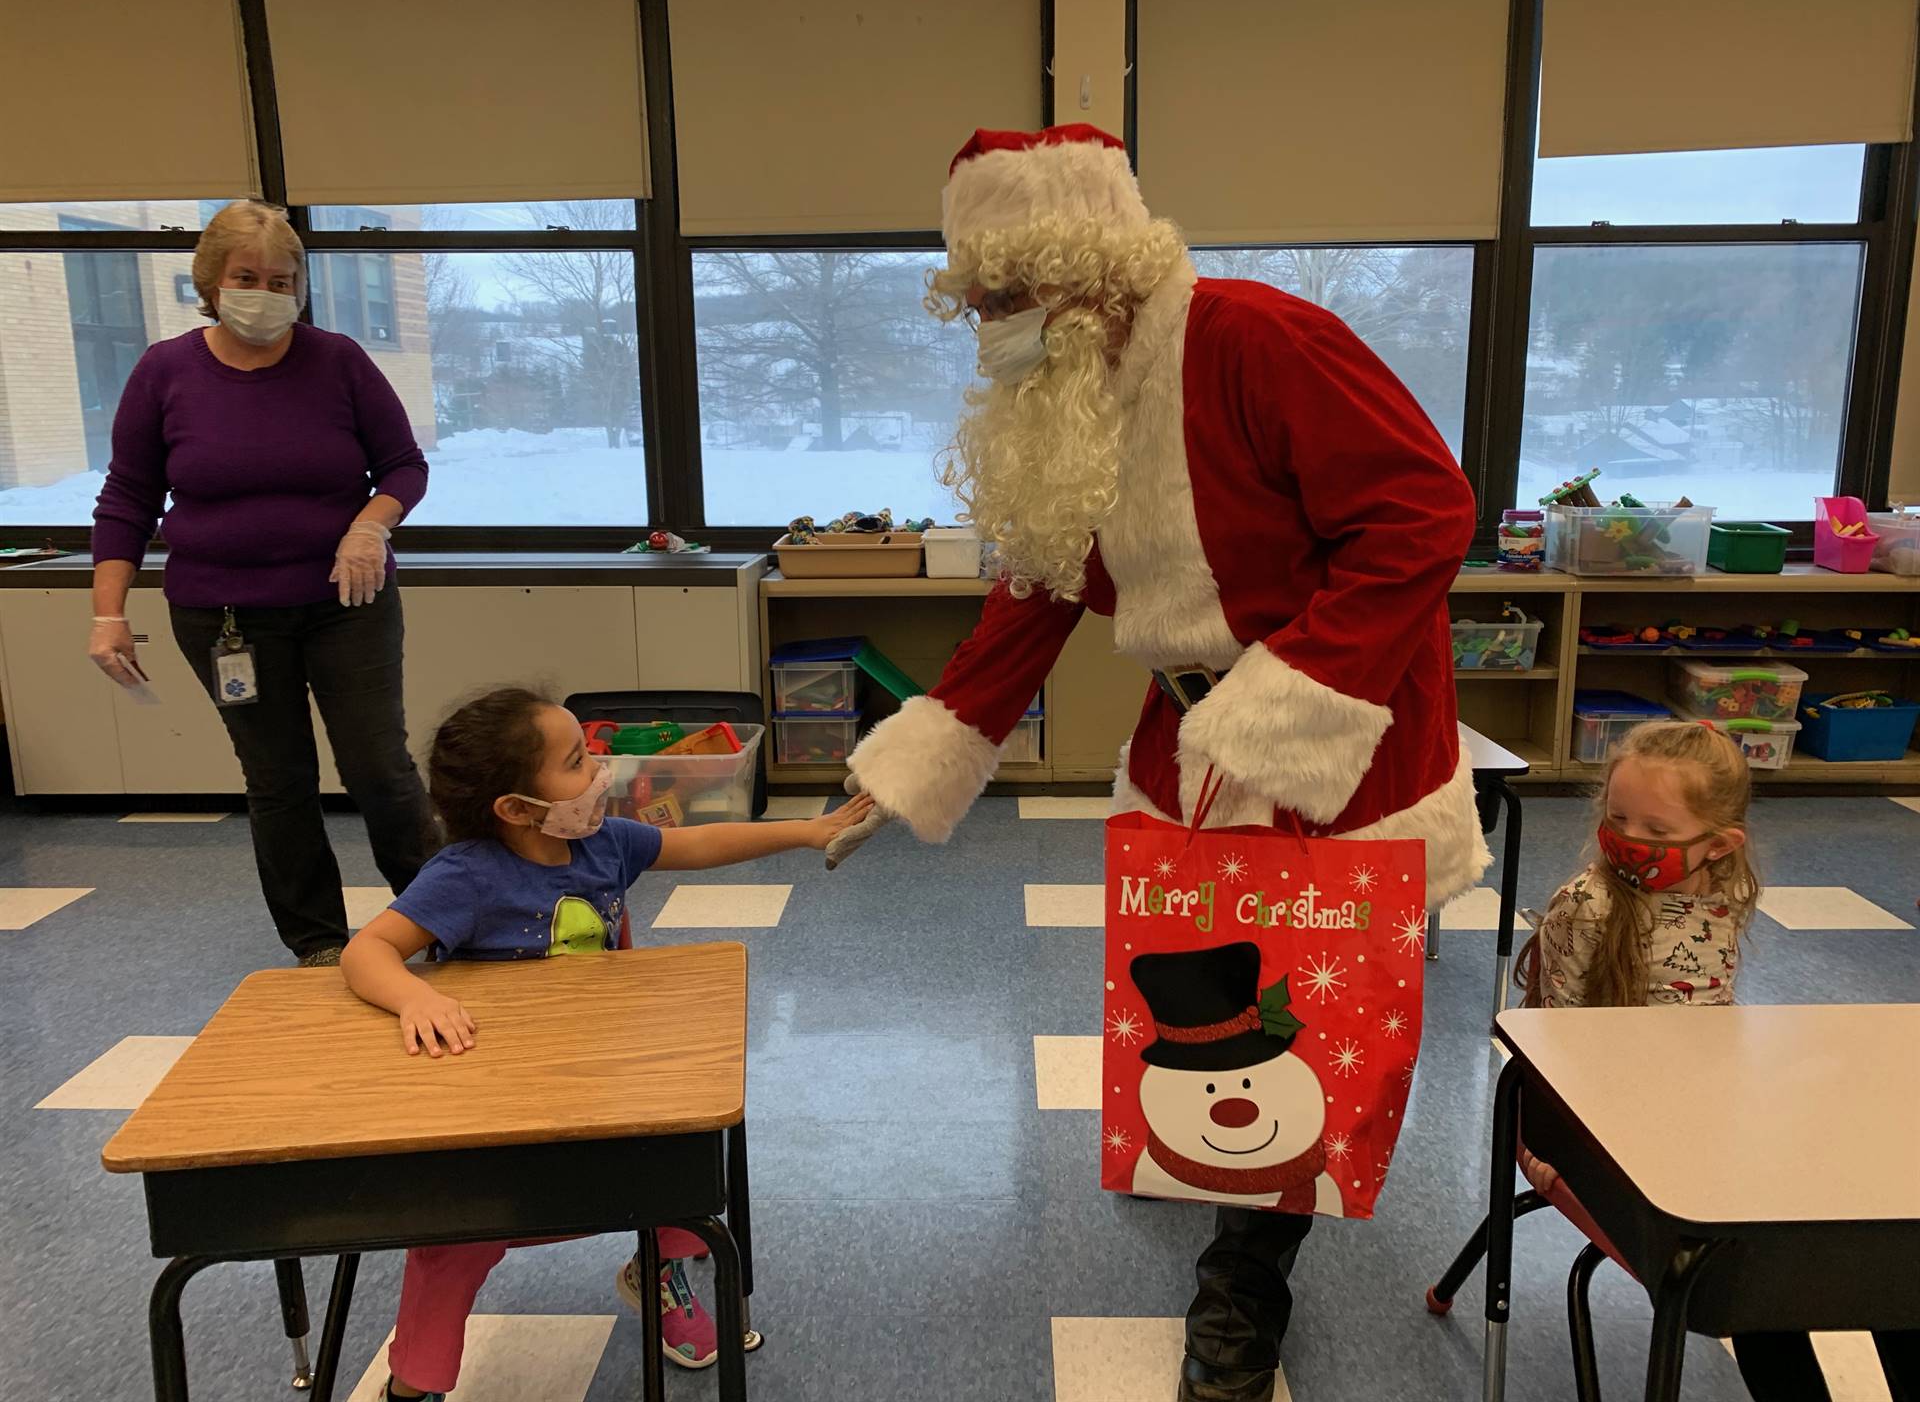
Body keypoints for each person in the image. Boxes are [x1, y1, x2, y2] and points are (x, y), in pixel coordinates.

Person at [826, 124, 1486, 1402]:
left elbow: (1424, 513)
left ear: (1086, 272)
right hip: (1187, 742)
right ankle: (1212, 1164)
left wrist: (1289, 697)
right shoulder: (1064, 396)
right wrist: (932, 744)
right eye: (978, 304)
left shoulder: (1256, 340)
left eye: (1007, 298)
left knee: (1295, 1003)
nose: (992, 328)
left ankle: (1241, 1288)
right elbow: (1040, 585)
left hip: (1328, 728)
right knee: (1197, 982)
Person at [342, 687, 874, 1399]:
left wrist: (809, 831)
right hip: (501, 1105)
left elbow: (697, 841)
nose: (599, 769)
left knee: (683, 1170)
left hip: (605, 1079)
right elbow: (367, 951)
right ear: (514, 808)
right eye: (575, 761)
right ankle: (414, 1380)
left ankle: (659, 1271)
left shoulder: (601, 842)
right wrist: (418, 996)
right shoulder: (465, 876)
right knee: (451, 1240)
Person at [1516, 720, 1919, 1402]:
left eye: (1655, 829)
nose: (1627, 839)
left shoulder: (1724, 895)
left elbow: (1710, 1023)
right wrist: (1547, 1147)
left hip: (1703, 1115)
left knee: (1870, 1247)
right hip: (1603, 1130)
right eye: (1617, 818)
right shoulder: (1586, 907)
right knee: (1756, 1277)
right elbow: (1551, 1042)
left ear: (1719, 846)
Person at [88, 199, 436, 967]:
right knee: (278, 780)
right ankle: (316, 943)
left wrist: (369, 525)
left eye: (283, 280)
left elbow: (405, 466)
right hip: (223, 618)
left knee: (378, 765)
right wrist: (107, 614)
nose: (265, 293)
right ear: (209, 283)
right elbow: (127, 499)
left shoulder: (339, 359)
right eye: (246, 277)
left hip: (347, 602)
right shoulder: (165, 371)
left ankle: (440, 916)